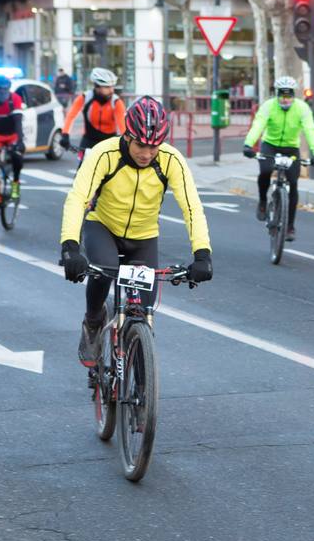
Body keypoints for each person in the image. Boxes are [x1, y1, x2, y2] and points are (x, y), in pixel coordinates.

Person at [59, 97, 212, 366]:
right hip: (103, 226)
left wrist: (202, 254)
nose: (147, 153)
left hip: (143, 237)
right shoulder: (104, 153)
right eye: (141, 145)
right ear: (128, 135)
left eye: (154, 147)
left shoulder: (171, 160)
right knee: (102, 269)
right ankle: (93, 322)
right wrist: (70, 247)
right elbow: (78, 197)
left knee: (143, 309)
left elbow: (192, 208)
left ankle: (141, 375)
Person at [242, 76, 314, 241]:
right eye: (282, 95)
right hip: (269, 145)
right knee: (265, 171)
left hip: (291, 148)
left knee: (293, 183)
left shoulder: (302, 108)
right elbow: (258, 126)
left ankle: (290, 226)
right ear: (276, 94)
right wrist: (248, 144)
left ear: (294, 95)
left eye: (289, 95)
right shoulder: (268, 106)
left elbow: (310, 131)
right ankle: (263, 201)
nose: (285, 99)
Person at [61, 67, 126, 158]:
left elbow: (122, 125)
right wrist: (65, 134)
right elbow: (71, 116)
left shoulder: (116, 102)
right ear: (97, 87)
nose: (112, 90)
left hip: (109, 141)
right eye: (107, 87)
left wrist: (126, 142)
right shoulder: (85, 98)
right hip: (88, 140)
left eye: (112, 86)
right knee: (82, 170)